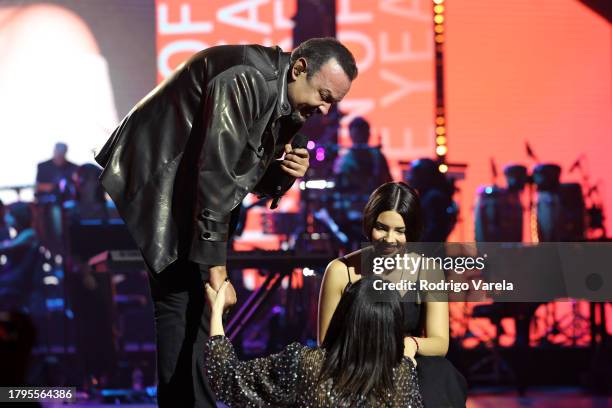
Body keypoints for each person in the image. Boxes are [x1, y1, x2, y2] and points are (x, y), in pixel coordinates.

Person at [95, 38, 357, 407]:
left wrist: (284, 174)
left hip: (189, 192)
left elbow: (244, 174)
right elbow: (216, 174)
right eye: (324, 95)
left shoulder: (288, 100)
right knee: (192, 304)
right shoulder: (246, 79)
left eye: (334, 101)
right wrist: (216, 269)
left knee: (187, 309)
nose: (326, 109)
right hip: (163, 182)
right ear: (299, 68)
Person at [318, 182, 468, 407]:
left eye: (400, 231)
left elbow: (440, 343)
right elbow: (325, 344)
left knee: (441, 373)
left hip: (408, 362)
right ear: (369, 224)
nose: (389, 239)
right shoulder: (340, 271)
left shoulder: (428, 270)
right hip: (356, 365)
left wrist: (412, 344)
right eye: (382, 228)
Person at [204, 276, 423, 407]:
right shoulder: (401, 375)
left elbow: (226, 378)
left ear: (344, 315)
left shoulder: (305, 364)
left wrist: (216, 313)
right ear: (393, 327)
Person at [331, 117, 392, 249]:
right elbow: (338, 189)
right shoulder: (344, 160)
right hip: (351, 216)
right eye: (357, 133)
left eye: (363, 132)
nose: (360, 136)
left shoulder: (377, 156)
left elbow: (388, 182)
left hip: (376, 214)